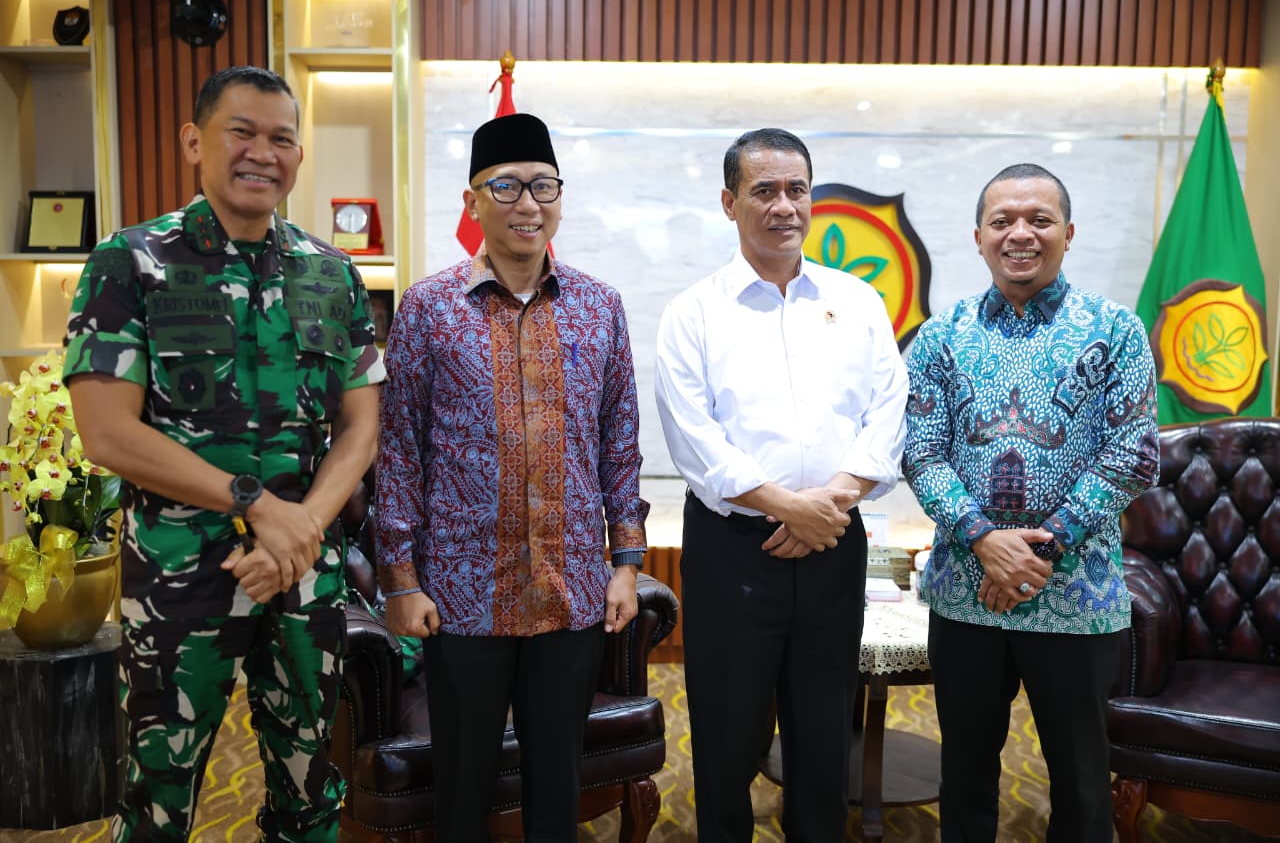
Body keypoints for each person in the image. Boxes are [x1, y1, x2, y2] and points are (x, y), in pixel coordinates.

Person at [64, 66, 384, 841]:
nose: (262, 153)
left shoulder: (332, 271)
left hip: (303, 576)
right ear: (193, 141)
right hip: (180, 580)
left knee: (312, 798)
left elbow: (362, 425)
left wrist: (300, 527)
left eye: (281, 138)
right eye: (241, 131)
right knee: (158, 805)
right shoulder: (130, 262)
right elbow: (107, 432)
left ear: (298, 155)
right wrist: (259, 506)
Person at [375, 112, 649, 842]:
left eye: (543, 186)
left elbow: (619, 445)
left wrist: (626, 564)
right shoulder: (428, 308)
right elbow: (398, 451)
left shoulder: (600, 307)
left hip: (570, 590)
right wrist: (401, 579)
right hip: (461, 594)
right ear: (473, 202)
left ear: (559, 197)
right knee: (463, 789)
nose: (527, 203)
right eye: (506, 186)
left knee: (556, 786)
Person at [655, 128, 909, 842]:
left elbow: (890, 411)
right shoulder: (693, 312)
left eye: (797, 189)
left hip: (833, 542)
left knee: (824, 729)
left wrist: (829, 504)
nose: (783, 206)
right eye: (764, 190)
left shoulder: (856, 301)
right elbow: (695, 439)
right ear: (729, 202)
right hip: (733, 548)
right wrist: (791, 507)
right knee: (727, 733)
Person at [902, 163, 1160, 842]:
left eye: (1039, 219)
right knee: (964, 774)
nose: (1021, 233)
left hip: (1078, 596)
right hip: (968, 595)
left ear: (1068, 233)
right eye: (1003, 221)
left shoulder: (1117, 329)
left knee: (1081, 781)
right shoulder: (941, 335)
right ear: (979, 238)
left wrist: (1039, 548)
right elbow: (920, 452)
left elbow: (1134, 454)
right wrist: (985, 540)